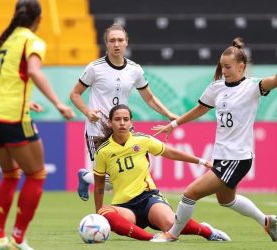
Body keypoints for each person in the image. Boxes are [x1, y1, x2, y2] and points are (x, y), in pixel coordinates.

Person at [151, 37, 277, 242]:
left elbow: (275, 79)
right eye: (222, 66)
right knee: (226, 200)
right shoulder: (216, 87)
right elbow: (200, 108)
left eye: (228, 67)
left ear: (241, 66)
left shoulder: (254, 86)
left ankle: (171, 234)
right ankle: (268, 222)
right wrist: (174, 124)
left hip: (237, 158)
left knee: (190, 193)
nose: (224, 71)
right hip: (222, 156)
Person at [0, 1, 75, 249]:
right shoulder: (32, 40)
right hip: (11, 116)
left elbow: (3, 81)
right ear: (39, 19)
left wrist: (27, 100)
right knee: (37, 173)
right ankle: (17, 239)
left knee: (10, 174)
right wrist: (58, 103)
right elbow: (34, 71)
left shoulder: (4, 42)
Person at [70, 23, 178, 201]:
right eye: (112, 40)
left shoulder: (135, 70)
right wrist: (88, 112)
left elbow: (149, 97)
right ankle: (87, 179)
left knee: (127, 174)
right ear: (106, 44)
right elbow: (74, 94)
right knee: (109, 180)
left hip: (123, 127)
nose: (116, 44)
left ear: (127, 42)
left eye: (120, 40)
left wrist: (168, 113)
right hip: (97, 129)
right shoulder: (94, 68)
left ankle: (138, 206)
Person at [93, 104, 231, 241]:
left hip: (148, 199)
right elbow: (99, 185)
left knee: (171, 224)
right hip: (124, 207)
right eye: (117, 119)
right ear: (110, 123)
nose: (122, 123)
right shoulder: (103, 151)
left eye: (126, 119)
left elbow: (170, 152)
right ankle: (151, 238)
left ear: (131, 122)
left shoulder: (142, 140)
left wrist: (202, 161)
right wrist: (99, 216)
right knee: (104, 212)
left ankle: (207, 231)